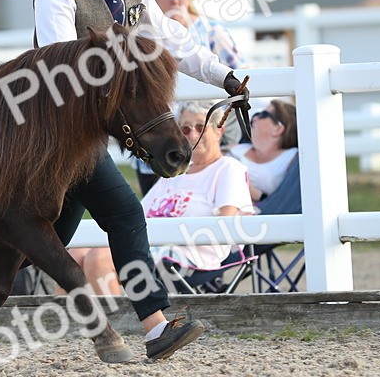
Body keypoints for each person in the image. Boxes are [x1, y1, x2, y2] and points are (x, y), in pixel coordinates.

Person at [0, 0, 248, 363]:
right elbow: (62, 66)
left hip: (94, 134)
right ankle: (156, 325)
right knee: (124, 214)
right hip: (58, 137)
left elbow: (173, 41)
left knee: (50, 237)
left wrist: (221, 76)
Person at [70, 100, 252, 294]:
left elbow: (225, 221)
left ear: (219, 132)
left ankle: (118, 323)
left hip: (191, 254)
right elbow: (138, 215)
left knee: (99, 257)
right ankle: (70, 323)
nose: (193, 135)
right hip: (154, 244)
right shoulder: (176, 173)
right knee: (76, 254)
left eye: (201, 127)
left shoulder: (228, 169)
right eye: (185, 129)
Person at [135, 0, 244, 193]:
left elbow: (238, 70)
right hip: (159, 126)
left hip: (206, 129)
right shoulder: (143, 35)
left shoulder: (212, 31)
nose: (176, 0)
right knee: (159, 201)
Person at [228, 99, 298, 203]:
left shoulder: (292, 158)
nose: (254, 117)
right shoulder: (236, 148)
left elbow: (290, 200)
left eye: (263, 114)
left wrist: (256, 194)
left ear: (278, 129)